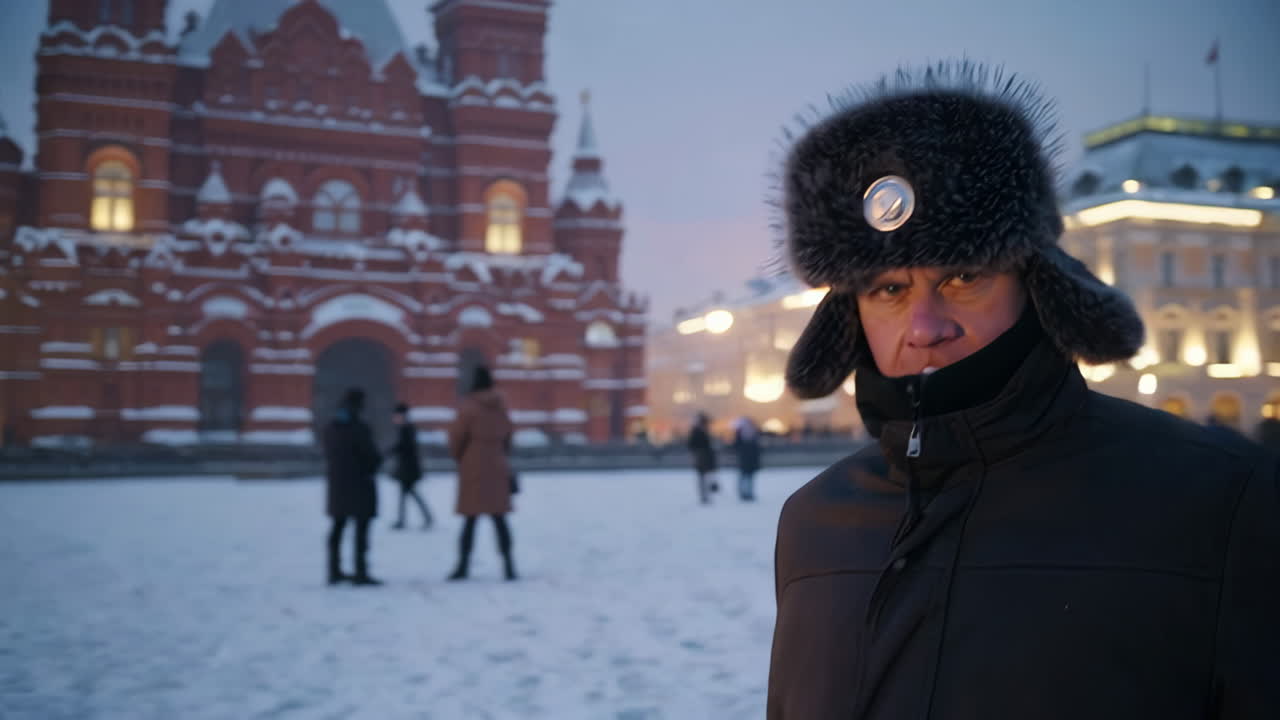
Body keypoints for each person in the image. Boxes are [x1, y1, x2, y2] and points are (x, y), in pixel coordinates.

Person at [765, 62, 1280, 719]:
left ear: (1037, 283)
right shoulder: (813, 522)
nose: (923, 328)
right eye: (889, 289)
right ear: (848, 314)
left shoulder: (1223, 503)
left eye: (964, 277)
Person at [446, 365, 517, 581]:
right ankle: (509, 566)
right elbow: (509, 435)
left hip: (473, 467)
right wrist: (499, 454)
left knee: (470, 520)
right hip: (497, 464)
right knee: (500, 519)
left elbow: (456, 438)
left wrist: (462, 458)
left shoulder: (468, 407)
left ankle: (463, 566)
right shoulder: (501, 407)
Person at [322, 388, 383, 586]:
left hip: (338, 485)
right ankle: (360, 571)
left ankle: (334, 570)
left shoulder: (332, 427)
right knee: (361, 530)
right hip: (360, 485)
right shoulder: (359, 428)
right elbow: (371, 457)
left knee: (338, 527)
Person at [388, 402, 432, 530]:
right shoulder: (406, 428)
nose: (394, 418)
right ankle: (422, 518)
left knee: (408, 494)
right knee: (409, 493)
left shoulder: (407, 429)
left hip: (408, 469)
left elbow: (404, 447)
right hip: (407, 469)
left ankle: (405, 520)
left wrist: (390, 452)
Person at [687, 412, 718, 504]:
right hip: (701, 457)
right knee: (702, 477)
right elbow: (692, 445)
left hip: (706, 457)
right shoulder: (697, 432)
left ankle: (706, 495)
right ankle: (704, 496)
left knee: (706, 477)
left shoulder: (702, 431)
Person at [731, 416, 762, 501]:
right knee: (745, 477)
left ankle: (748, 493)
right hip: (744, 460)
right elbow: (736, 447)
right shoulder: (741, 435)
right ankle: (744, 493)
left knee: (749, 477)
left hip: (750, 460)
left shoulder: (754, 434)